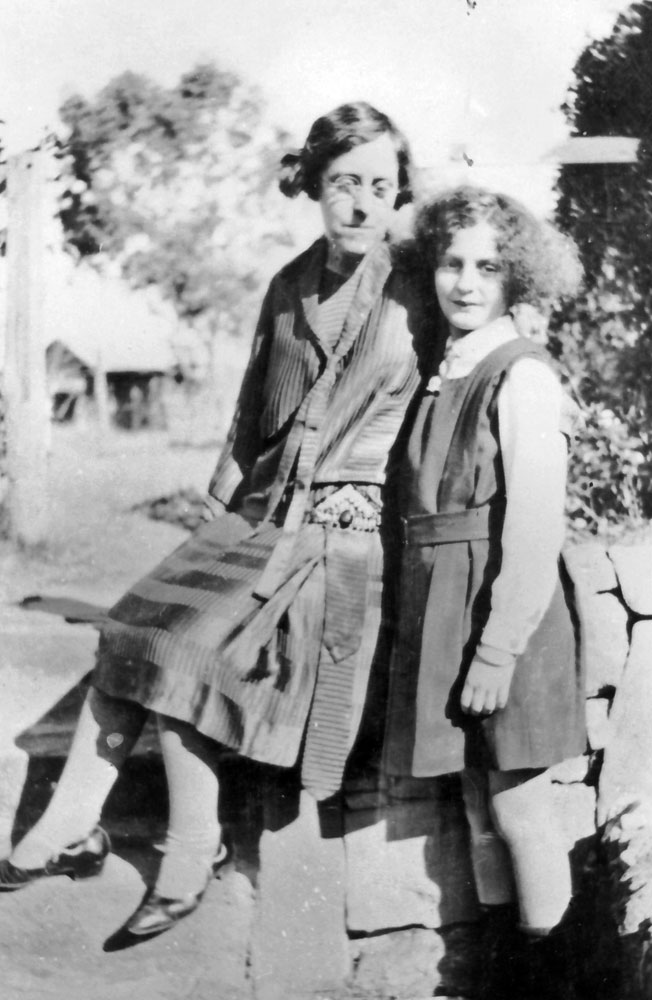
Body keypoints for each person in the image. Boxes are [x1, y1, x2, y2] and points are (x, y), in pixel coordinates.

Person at [0, 102, 434, 937]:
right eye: (344, 183)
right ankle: (71, 825)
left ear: (398, 195)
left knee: (188, 646)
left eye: (381, 187)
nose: (360, 205)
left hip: (345, 536)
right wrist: (219, 493)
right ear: (314, 184)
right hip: (263, 514)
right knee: (132, 626)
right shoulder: (289, 283)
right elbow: (248, 406)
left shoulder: (417, 286)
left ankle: (192, 850)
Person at [383, 186, 586, 1000]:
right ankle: (507, 972)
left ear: (518, 276)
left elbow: (535, 525)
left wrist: (498, 648)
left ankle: (554, 977)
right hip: (446, 612)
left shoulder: (521, 375)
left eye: (488, 266)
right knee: (477, 810)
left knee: (522, 812)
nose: (466, 282)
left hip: (506, 619)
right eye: (452, 263)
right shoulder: (448, 368)